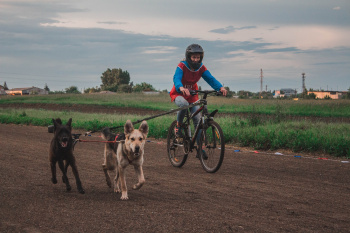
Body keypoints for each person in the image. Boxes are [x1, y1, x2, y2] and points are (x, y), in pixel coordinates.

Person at [169, 44, 227, 157]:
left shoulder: (201, 68)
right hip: (179, 93)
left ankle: (200, 149)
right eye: (194, 57)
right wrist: (181, 87)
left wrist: (220, 87)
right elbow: (176, 78)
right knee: (184, 104)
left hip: (193, 95)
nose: (196, 60)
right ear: (188, 57)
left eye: (198, 57)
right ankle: (179, 126)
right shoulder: (182, 66)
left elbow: (210, 78)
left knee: (198, 120)